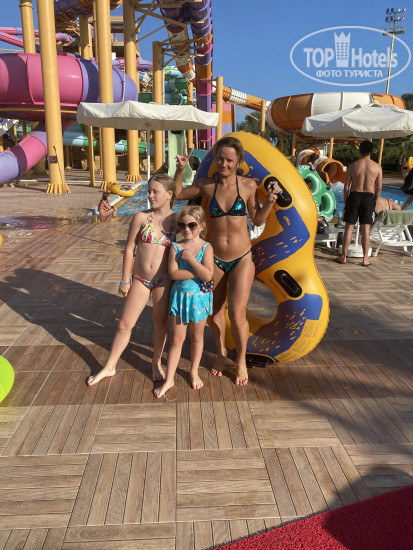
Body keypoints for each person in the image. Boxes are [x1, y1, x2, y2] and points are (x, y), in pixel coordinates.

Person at [173, 136, 283, 386]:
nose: (224, 164)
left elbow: (257, 220)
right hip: (215, 258)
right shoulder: (206, 185)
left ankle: (241, 360)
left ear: (239, 161)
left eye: (230, 160)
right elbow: (178, 193)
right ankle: (221, 354)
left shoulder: (248, 186)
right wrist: (180, 170)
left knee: (237, 312)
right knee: (215, 311)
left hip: (242, 258)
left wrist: (269, 202)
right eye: (220, 158)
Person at [87, 174, 176, 386]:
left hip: (164, 281)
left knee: (160, 324)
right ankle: (110, 366)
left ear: (169, 194)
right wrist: (125, 280)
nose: (150, 195)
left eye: (155, 191)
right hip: (140, 280)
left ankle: (156, 362)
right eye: (149, 191)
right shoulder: (141, 217)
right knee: (124, 324)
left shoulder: (177, 221)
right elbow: (129, 249)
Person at [154, 205, 214, 398]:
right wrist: (199, 272)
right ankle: (169, 378)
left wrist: (191, 260)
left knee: (197, 337)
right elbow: (174, 274)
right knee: (176, 340)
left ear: (202, 226)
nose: (186, 229)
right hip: (180, 298)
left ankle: (194, 371)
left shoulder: (206, 247)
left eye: (192, 225)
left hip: (199, 298)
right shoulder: (175, 247)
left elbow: (209, 275)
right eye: (182, 225)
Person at [335, 140, 382, 267]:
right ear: (371, 152)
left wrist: (347, 202)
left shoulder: (352, 166)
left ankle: (343, 257)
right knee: (366, 229)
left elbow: (346, 187)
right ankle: (365, 259)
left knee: (349, 227)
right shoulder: (377, 167)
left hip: (354, 196)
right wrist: (374, 200)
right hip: (369, 197)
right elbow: (379, 187)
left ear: (359, 151)